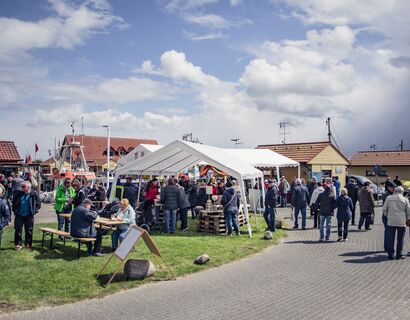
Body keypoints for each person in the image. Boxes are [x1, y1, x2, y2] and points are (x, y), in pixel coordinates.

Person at [382, 186, 410, 259]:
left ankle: (390, 254)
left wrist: (388, 216)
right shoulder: (405, 199)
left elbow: (384, 209)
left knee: (390, 238)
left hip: (391, 221)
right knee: (400, 239)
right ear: (402, 192)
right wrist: (407, 220)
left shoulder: (389, 198)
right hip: (401, 221)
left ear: (395, 191)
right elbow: (408, 212)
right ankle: (399, 254)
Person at [12, 181, 41, 250]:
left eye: (23, 187)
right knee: (18, 230)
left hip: (29, 215)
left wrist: (34, 211)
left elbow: (38, 204)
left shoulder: (34, 194)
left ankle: (28, 244)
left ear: (28, 187)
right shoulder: (18, 194)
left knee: (29, 230)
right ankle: (18, 244)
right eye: (21, 186)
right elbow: (14, 203)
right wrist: (15, 210)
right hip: (19, 215)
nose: (21, 188)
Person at [382, 182, 396, 252]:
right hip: (387, 215)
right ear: (388, 188)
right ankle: (387, 247)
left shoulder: (391, 194)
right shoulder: (386, 195)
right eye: (393, 187)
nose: (394, 189)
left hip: (390, 215)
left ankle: (387, 247)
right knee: (388, 232)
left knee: (387, 232)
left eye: (395, 187)